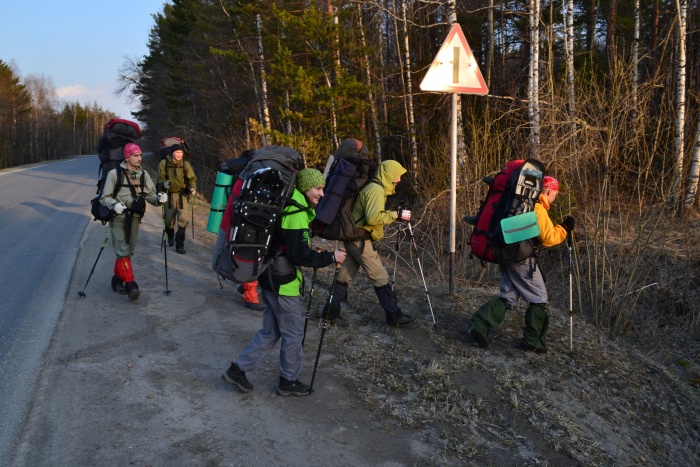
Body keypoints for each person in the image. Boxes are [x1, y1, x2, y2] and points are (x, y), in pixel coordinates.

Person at [222, 168, 347, 396]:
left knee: (271, 332)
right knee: (293, 333)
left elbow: (290, 245)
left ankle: (237, 370)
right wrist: (330, 257)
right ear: (305, 187)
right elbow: (298, 255)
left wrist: (310, 249)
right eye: (318, 188)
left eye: (322, 188)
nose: (321, 194)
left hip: (270, 277)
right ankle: (288, 381)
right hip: (283, 282)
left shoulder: (292, 204)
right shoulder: (296, 212)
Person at [466, 175, 575, 353]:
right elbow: (548, 238)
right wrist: (564, 228)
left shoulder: (522, 203)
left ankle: (479, 325)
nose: (554, 198)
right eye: (555, 194)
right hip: (522, 260)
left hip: (507, 255)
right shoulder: (538, 208)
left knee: (508, 296)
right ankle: (534, 341)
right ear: (548, 191)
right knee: (540, 299)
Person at [322, 159, 415, 326]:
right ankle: (394, 316)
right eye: (398, 175)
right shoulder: (375, 190)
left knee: (344, 275)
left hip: (354, 239)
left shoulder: (375, 188)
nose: (399, 179)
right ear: (389, 174)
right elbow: (373, 218)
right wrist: (396, 215)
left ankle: (330, 312)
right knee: (379, 276)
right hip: (360, 240)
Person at [100, 143, 168, 301]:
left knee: (128, 251)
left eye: (140, 155)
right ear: (127, 157)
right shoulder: (114, 174)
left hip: (135, 218)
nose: (139, 158)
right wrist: (114, 205)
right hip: (118, 219)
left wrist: (159, 199)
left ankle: (117, 280)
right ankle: (131, 284)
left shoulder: (143, 175)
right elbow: (105, 197)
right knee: (122, 250)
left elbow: (150, 195)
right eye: (136, 155)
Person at [157, 143, 197, 254]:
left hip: (182, 195)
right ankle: (170, 235)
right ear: (172, 153)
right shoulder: (164, 163)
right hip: (169, 195)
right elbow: (160, 179)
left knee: (183, 220)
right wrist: (162, 186)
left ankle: (180, 244)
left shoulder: (185, 164)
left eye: (181, 152)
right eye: (177, 152)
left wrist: (193, 188)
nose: (179, 155)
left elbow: (192, 178)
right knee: (168, 221)